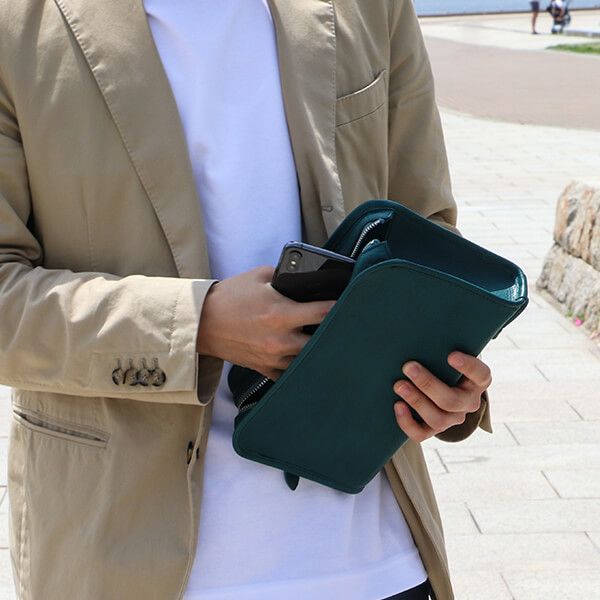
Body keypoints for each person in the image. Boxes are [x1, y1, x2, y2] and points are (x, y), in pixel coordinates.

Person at [0, 1, 493, 599]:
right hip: (124, 563)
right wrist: (197, 326)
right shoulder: (17, 23)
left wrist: (443, 378)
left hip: (377, 560)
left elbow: (428, 235)